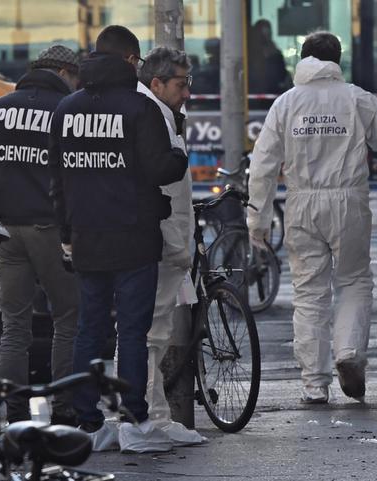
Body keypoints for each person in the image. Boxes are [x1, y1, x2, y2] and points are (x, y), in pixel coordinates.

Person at [246, 31, 377, 404]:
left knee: (309, 293)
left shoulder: (286, 104)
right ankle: (348, 352)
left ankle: (314, 383)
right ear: (338, 60)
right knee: (354, 280)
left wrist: (257, 221)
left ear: (303, 60)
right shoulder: (356, 98)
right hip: (348, 201)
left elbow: (262, 165)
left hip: (301, 203)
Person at [48, 25, 188, 453]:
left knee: (88, 331)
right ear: (130, 60)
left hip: (86, 237)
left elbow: (57, 178)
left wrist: (67, 233)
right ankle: (134, 422)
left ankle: (89, 424)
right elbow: (160, 169)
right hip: (133, 238)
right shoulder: (139, 110)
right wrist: (179, 153)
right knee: (132, 331)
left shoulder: (67, 109)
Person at [0, 45, 81, 425]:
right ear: (66, 72)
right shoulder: (65, 109)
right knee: (68, 317)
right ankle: (65, 408)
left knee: (14, 327)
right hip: (50, 228)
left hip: (6, 229)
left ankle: (16, 413)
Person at [137, 46, 206, 446]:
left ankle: (154, 412)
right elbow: (163, 183)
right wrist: (174, 240)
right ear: (158, 83)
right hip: (162, 236)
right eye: (181, 85)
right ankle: (148, 414)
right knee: (150, 330)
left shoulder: (162, 113)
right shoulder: (153, 117)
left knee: (153, 330)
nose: (187, 93)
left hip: (166, 235)